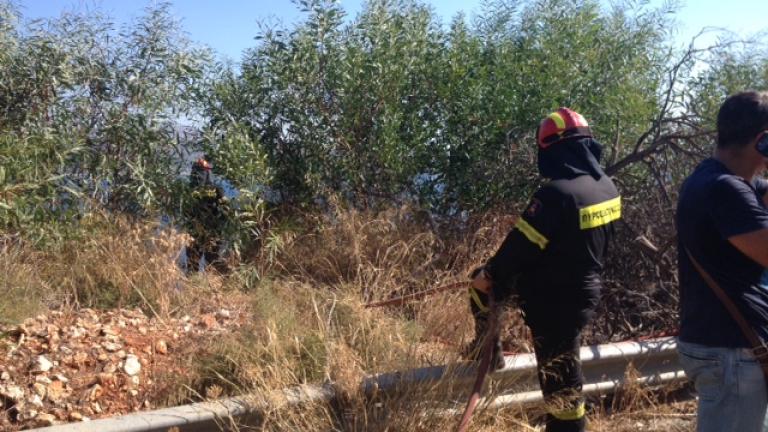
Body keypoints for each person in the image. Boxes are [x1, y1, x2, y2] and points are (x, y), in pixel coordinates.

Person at [468, 108, 621, 432]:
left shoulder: (556, 194)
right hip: (585, 288)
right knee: (564, 376)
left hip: (553, 300)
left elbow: (517, 250)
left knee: (561, 389)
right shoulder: (606, 187)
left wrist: (490, 275)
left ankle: (487, 353)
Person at [676, 91, 768, 432]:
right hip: (730, 352)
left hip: (723, 344)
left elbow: (759, 191)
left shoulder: (712, 178)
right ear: (762, 141)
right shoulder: (725, 189)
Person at [184, 156, 229, 272]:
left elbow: (226, 211)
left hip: (211, 231)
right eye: (197, 170)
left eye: (202, 171)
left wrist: (218, 227)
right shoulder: (187, 191)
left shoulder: (216, 190)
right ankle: (195, 288)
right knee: (193, 262)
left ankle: (227, 281)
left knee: (212, 260)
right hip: (195, 231)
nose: (199, 175)